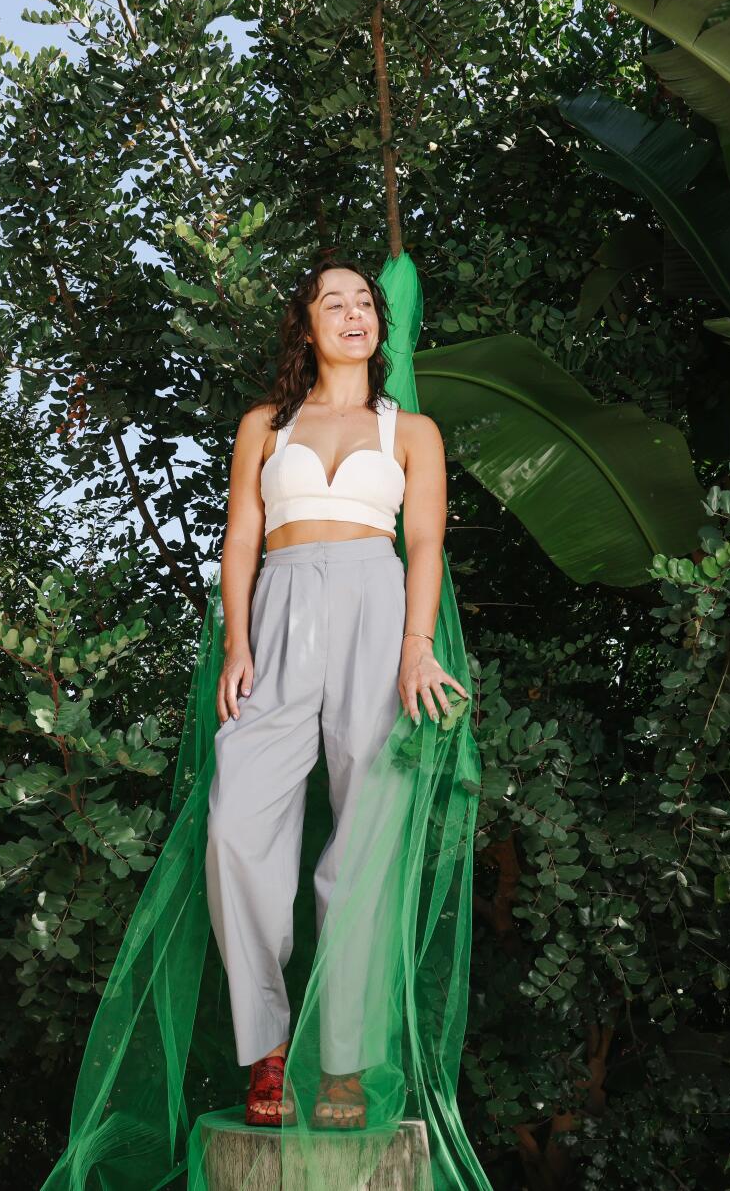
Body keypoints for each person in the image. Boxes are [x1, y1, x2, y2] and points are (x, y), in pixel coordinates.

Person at [204, 258, 470, 1130]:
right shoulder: (263, 427)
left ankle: (345, 1064)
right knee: (236, 830)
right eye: (335, 302)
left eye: (366, 302)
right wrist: (239, 644)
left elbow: (423, 543)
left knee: (364, 847)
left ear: (378, 327)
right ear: (306, 325)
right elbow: (241, 538)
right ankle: (268, 1052)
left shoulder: (413, 432)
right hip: (277, 617)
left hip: (374, 609)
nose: (354, 313)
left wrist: (416, 649)